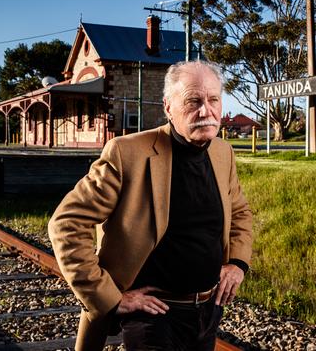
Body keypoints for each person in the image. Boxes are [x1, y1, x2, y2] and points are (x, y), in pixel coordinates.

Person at [48, 60, 253, 351]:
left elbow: (240, 212)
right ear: (168, 107)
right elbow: (66, 224)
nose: (205, 111)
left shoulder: (223, 152)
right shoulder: (127, 152)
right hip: (152, 315)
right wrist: (111, 297)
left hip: (207, 310)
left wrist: (237, 264)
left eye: (213, 100)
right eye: (193, 101)